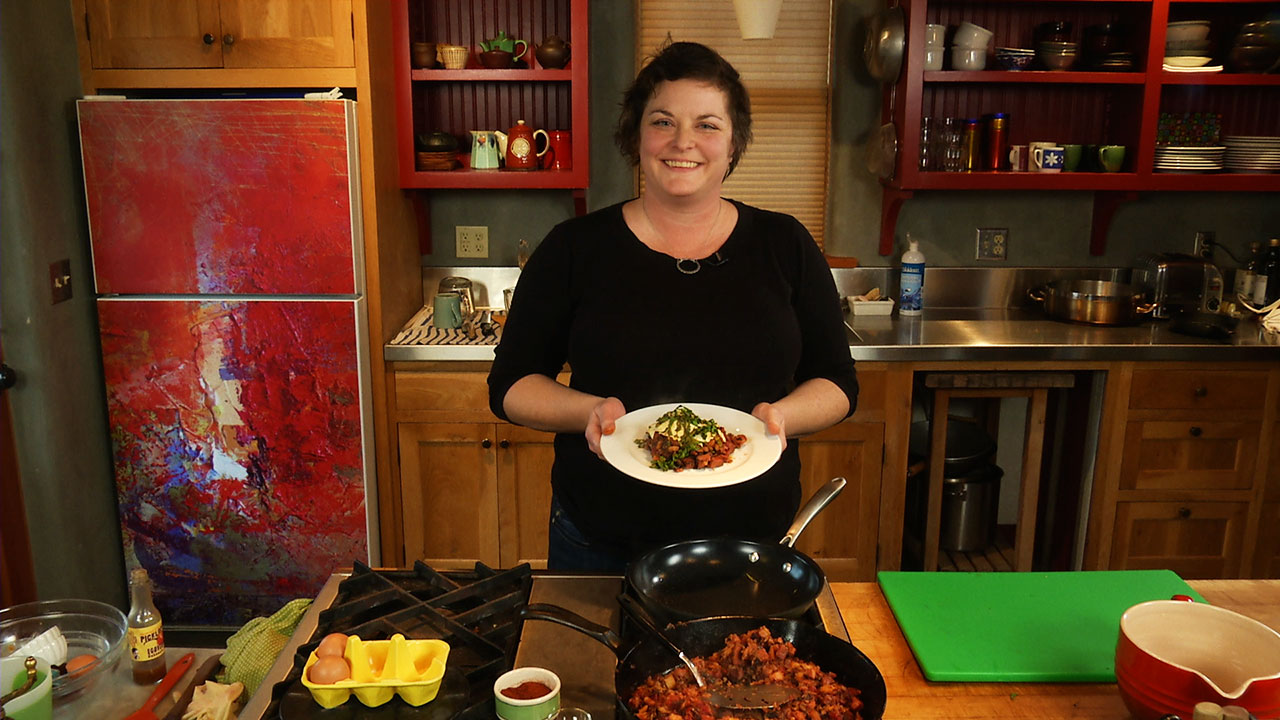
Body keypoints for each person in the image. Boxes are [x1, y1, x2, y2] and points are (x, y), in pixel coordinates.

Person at [487, 41, 858, 572]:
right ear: (636, 136)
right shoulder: (575, 247)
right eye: (662, 121)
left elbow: (838, 383)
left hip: (750, 541)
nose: (683, 141)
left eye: (708, 124)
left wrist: (781, 418)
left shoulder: (785, 243)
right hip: (600, 541)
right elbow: (511, 385)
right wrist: (587, 411)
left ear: (733, 144)